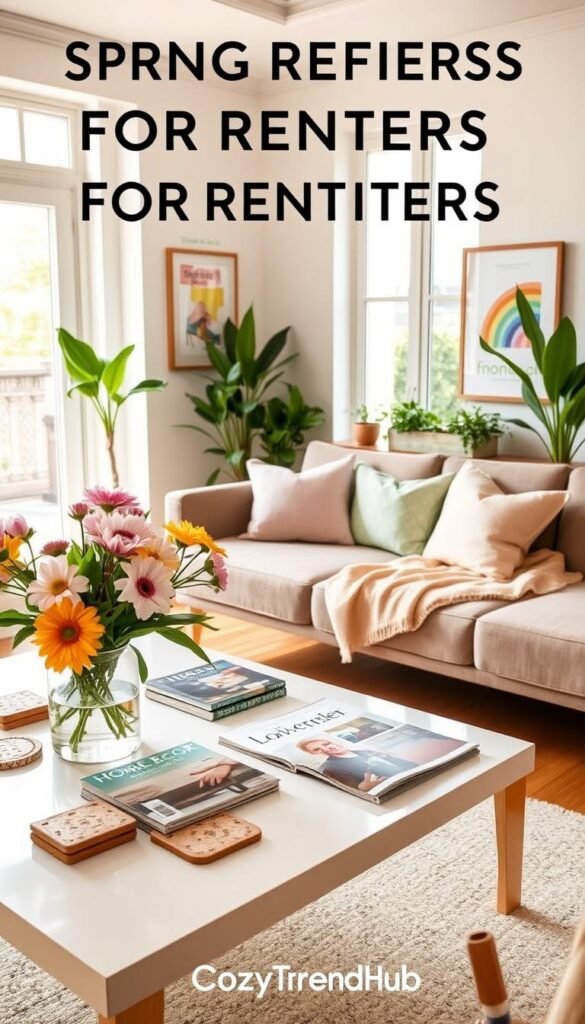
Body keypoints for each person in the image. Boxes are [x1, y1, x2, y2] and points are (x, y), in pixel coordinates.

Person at [296, 736, 416, 792]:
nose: (327, 748)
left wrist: (388, 755)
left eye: (326, 743)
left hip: (414, 774)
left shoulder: (364, 750)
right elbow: (353, 790)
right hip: (399, 790)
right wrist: (362, 788)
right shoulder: (331, 768)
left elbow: (404, 763)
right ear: (314, 754)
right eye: (317, 749)